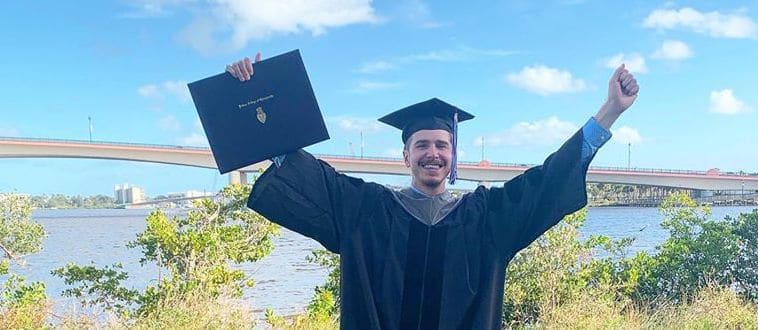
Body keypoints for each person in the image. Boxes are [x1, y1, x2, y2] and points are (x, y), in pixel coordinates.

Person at [227, 53, 638, 329]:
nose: (433, 153)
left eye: (442, 145)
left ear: (452, 155)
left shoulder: (488, 218)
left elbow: (550, 178)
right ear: (405, 155)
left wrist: (611, 110)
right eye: (421, 145)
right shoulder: (366, 210)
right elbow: (303, 173)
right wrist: (254, 94)